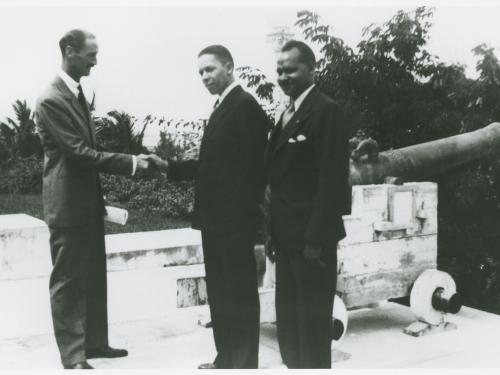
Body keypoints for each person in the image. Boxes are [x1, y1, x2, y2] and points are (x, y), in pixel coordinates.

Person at [35, 29, 165, 369]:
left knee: (92, 276)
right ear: (69, 51)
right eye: (90, 53)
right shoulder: (51, 98)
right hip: (66, 205)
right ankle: (74, 356)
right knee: (67, 280)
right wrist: (134, 163)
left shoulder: (75, 93)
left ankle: (94, 343)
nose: (96, 60)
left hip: (86, 202)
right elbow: (80, 154)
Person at [167, 45, 270, 369]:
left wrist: (240, 214)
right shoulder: (222, 107)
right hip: (216, 222)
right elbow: (212, 165)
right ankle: (226, 358)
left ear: (229, 67)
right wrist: (169, 167)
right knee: (222, 294)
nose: (204, 77)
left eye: (209, 69)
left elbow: (256, 168)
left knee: (237, 294)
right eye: (200, 72)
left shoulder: (244, 106)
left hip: (233, 223)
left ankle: (242, 363)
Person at [265, 40, 351, 369]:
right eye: (279, 70)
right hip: (286, 238)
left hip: (311, 242)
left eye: (291, 69)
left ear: (311, 69)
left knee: (312, 328)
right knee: (288, 323)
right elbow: (278, 179)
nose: (284, 76)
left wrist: (315, 239)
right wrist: (272, 233)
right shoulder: (286, 113)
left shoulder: (325, 110)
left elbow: (332, 181)